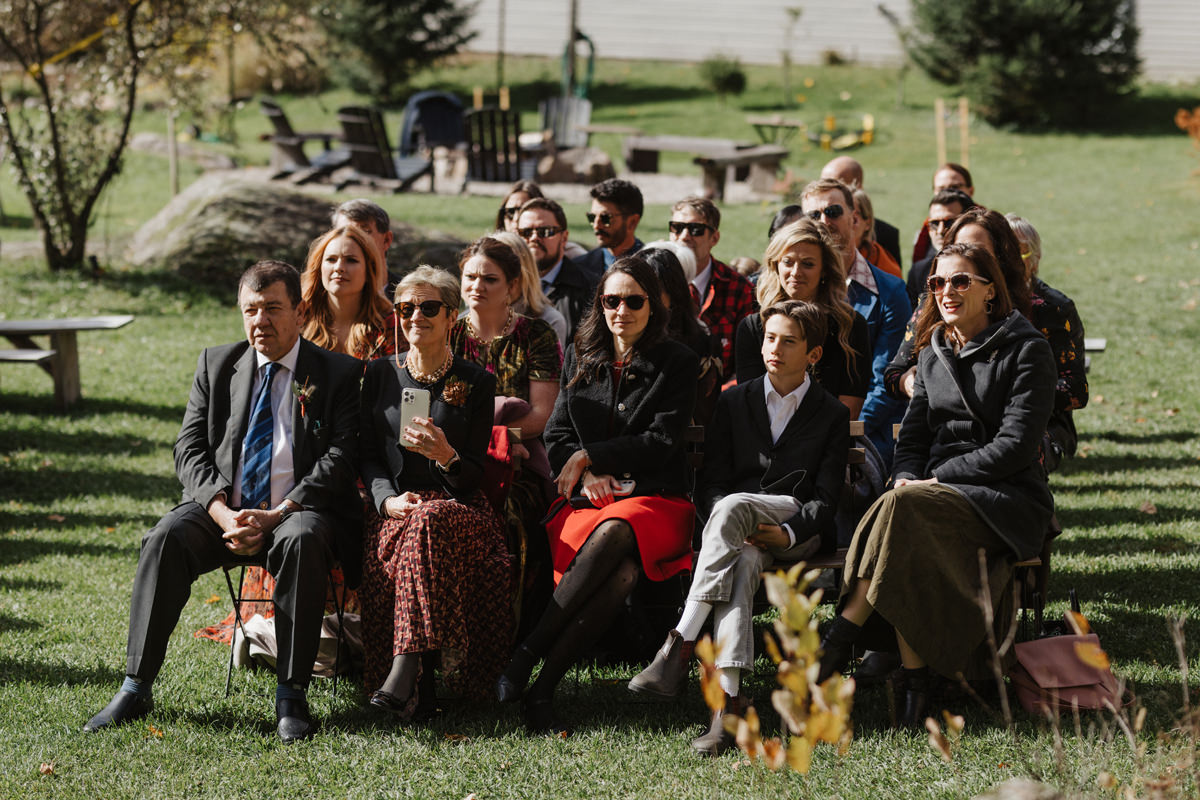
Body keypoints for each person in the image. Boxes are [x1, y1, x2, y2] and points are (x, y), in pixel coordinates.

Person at [84, 261, 363, 743]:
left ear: (299, 312)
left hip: (296, 512)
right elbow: (188, 448)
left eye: (273, 308)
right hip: (223, 510)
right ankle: (135, 686)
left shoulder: (337, 373)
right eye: (250, 310)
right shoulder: (217, 364)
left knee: (301, 540)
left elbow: (341, 456)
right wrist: (222, 512)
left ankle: (291, 695)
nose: (261, 321)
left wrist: (278, 513)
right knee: (166, 537)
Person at [817, 242, 1056, 727]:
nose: (947, 291)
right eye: (937, 282)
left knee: (903, 507)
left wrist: (934, 479)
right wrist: (907, 475)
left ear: (990, 291)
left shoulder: (1027, 350)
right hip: (929, 496)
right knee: (904, 516)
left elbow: (1014, 447)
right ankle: (915, 683)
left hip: (1004, 496)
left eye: (961, 280)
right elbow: (913, 439)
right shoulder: (932, 352)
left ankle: (839, 638)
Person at [628, 300, 849, 755]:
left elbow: (826, 499)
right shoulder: (733, 400)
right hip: (737, 533)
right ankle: (726, 710)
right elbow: (711, 483)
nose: (775, 349)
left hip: (794, 524)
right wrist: (732, 526)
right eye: (770, 338)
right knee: (743, 560)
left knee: (734, 506)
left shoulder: (830, 412)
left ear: (813, 354)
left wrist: (786, 533)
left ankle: (680, 643)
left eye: (789, 341)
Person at [495, 256, 700, 734]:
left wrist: (591, 457)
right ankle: (542, 692)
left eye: (633, 301)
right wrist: (586, 475)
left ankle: (527, 653)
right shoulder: (582, 354)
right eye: (611, 301)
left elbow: (661, 441)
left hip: (656, 502)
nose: (621, 311)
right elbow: (558, 434)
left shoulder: (677, 362)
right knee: (621, 572)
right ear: (600, 305)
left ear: (653, 306)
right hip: (587, 502)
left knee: (619, 528)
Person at [195, 226, 397, 649]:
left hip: (356, 463)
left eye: (351, 260)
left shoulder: (388, 328)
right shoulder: (298, 324)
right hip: (287, 472)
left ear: (371, 268)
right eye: (331, 259)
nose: (339, 268)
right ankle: (273, 626)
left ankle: (346, 629)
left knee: (334, 513)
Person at [359, 266, 512, 718]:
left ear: (450, 316)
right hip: (397, 509)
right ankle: (417, 683)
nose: (416, 317)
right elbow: (367, 456)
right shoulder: (379, 375)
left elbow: (473, 474)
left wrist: (447, 457)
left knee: (431, 519)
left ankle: (405, 672)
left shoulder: (476, 381)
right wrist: (387, 500)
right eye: (406, 308)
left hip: (459, 507)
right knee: (420, 525)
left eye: (428, 307)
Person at [449, 236, 563, 634]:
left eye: (489, 279)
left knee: (511, 511)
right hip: (454, 456)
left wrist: (496, 438)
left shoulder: (536, 336)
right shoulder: (447, 334)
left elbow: (541, 416)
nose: (476, 286)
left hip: (520, 460)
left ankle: (507, 631)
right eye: (470, 277)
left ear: (513, 286)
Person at [800, 178, 910, 465]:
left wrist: (840, 433)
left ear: (855, 218)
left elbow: (885, 381)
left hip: (867, 435)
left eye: (833, 211)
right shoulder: (794, 288)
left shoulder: (890, 292)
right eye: (814, 215)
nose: (824, 221)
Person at [886, 207, 1034, 402]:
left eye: (977, 251)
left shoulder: (1039, 309)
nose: (966, 256)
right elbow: (894, 374)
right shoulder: (935, 305)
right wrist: (908, 381)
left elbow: (1067, 387)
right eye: (959, 248)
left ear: (1001, 258)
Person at [735, 218, 870, 418]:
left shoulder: (850, 325)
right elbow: (750, 404)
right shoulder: (753, 327)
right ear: (776, 265)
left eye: (807, 264)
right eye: (788, 262)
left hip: (829, 434)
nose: (796, 272)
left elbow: (849, 409)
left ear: (824, 270)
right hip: (764, 433)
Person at [1006, 213, 1088, 471]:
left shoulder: (1056, 309)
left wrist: (1017, 399)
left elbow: (1075, 389)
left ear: (1036, 259)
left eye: (1019, 252)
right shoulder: (980, 302)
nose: (1009, 260)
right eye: (1001, 251)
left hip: (1045, 421)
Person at [669, 197, 756, 382]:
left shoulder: (739, 288)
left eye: (696, 229)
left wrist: (726, 395)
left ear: (714, 238)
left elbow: (747, 363)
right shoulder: (657, 283)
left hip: (722, 392)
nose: (684, 236)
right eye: (677, 227)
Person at [640, 243, 722, 426]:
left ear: (673, 292)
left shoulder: (698, 344)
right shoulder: (620, 338)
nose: (645, 298)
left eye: (654, 290)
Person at [517, 197, 601, 342]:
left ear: (564, 238)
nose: (534, 238)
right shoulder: (503, 286)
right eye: (526, 232)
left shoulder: (591, 289)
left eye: (545, 231)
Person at [821, 155, 902, 268]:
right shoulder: (810, 227)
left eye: (834, 186)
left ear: (857, 187)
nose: (823, 191)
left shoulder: (885, 235)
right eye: (822, 184)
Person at [494, 230, 568, 346]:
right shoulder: (466, 320)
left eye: (507, 272)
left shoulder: (548, 321)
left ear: (523, 275)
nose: (479, 285)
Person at [905, 189, 976, 307]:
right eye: (934, 223)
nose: (940, 230)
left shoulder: (983, 268)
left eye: (949, 223)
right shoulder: (919, 271)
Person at [912, 163, 975, 265]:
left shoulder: (987, 224)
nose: (940, 230)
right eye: (941, 189)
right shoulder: (926, 230)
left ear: (971, 190)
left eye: (955, 187)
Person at [578, 178, 644, 275]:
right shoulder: (579, 269)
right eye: (592, 217)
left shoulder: (651, 268)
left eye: (605, 218)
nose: (596, 226)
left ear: (632, 222)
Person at [332, 199, 397, 296]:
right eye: (343, 233)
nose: (353, 241)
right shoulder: (316, 298)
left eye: (364, 232)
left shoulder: (411, 297)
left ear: (386, 240)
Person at [852, 187, 902, 279]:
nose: (846, 221)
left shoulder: (884, 268)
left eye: (853, 217)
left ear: (867, 223)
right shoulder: (826, 256)